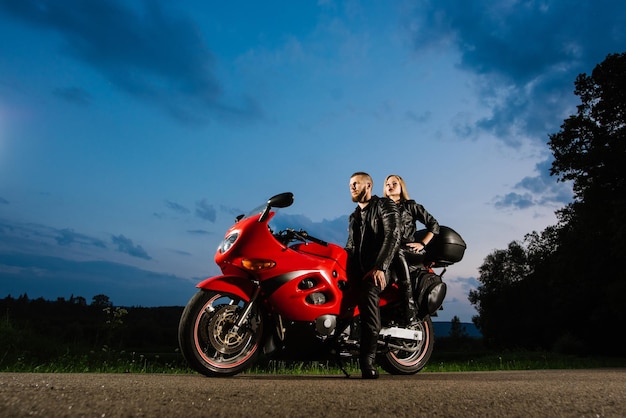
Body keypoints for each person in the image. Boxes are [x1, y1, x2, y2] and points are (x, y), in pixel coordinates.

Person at [345, 172, 401, 379]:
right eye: (350, 185)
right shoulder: (354, 217)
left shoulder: (385, 206)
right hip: (360, 270)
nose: (351, 187)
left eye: (356, 184)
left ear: (368, 186)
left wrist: (380, 266)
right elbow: (350, 247)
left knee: (368, 295)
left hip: (382, 269)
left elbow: (393, 236)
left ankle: (367, 361)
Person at [383, 174, 440, 324]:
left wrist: (422, 243)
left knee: (398, 251)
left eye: (394, 183)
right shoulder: (381, 209)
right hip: (389, 251)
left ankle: (409, 308)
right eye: (387, 184)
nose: (390, 186)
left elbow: (434, 225)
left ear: (402, 186)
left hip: (410, 251)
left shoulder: (411, 206)